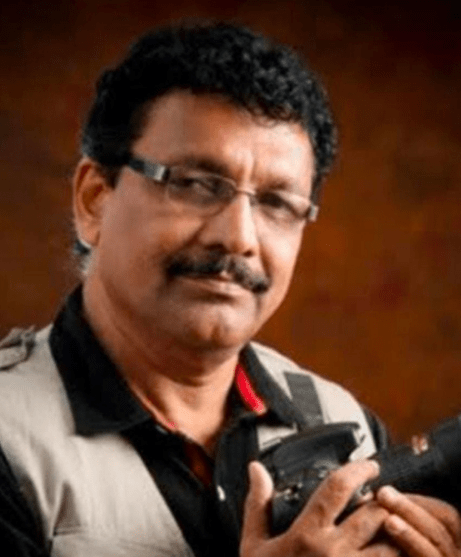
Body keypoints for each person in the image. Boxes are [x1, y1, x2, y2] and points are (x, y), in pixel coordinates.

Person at [0, 20, 459, 557]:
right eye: (196, 185)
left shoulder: (341, 419)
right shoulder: (12, 434)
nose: (238, 237)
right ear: (94, 200)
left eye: (277, 203)